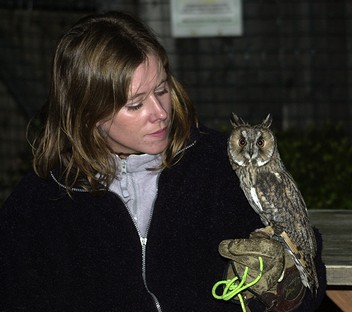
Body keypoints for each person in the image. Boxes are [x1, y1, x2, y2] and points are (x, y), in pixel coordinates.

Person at [0, 11, 325, 311]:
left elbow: (308, 274)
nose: (159, 113)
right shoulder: (42, 201)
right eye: (136, 104)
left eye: (162, 89)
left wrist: (282, 287)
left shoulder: (219, 166)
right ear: (88, 114)